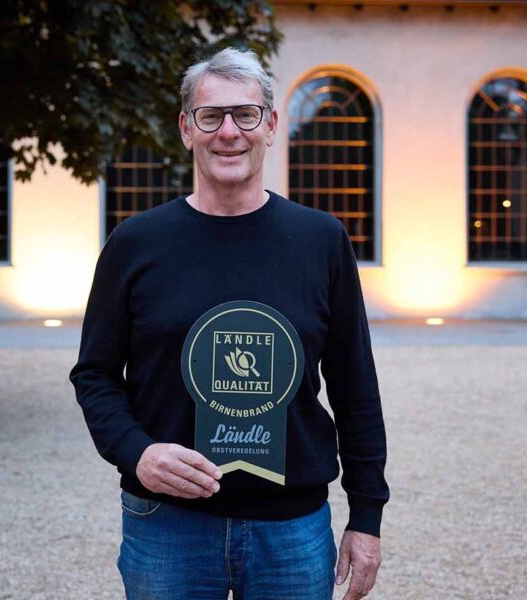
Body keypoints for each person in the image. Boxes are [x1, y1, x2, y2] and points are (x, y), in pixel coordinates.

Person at [69, 47, 389, 600]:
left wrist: (366, 517)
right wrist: (137, 452)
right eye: (210, 116)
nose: (228, 133)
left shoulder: (321, 241)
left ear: (269, 125)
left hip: (291, 526)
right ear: (186, 129)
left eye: (244, 114)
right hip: (166, 524)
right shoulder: (135, 244)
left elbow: (355, 385)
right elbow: (94, 374)